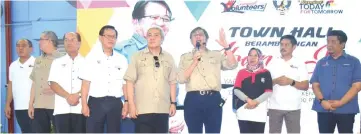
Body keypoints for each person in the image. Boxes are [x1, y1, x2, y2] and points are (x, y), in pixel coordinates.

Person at [177, 27, 238, 133]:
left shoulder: (216, 55)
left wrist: (227, 48)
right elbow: (181, 79)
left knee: (213, 131)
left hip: (213, 99)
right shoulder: (185, 57)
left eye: (201, 34)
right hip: (192, 100)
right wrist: (194, 62)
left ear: (206, 39)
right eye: (195, 35)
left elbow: (233, 65)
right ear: (191, 40)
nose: (198, 36)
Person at [124, 26, 177, 133]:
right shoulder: (137, 57)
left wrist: (173, 103)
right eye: (149, 35)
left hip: (162, 109)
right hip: (142, 109)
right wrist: (131, 105)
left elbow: (172, 82)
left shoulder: (169, 57)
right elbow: (129, 82)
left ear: (162, 39)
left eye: (156, 35)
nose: (152, 38)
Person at [310, 30, 361, 133]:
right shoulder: (321, 62)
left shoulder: (354, 62)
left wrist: (341, 103)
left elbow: (357, 86)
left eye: (333, 42)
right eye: (328, 41)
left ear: (342, 44)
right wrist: (322, 101)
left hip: (346, 109)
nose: (329, 45)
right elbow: (315, 85)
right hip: (324, 108)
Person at [79, 25, 128, 133]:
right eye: (108, 36)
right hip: (96, 103)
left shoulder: (122, 59)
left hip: (115, 103)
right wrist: (84, 104)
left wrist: (126, 103)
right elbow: (85, 83)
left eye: (114, 37)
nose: (111, 39)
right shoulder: (90, 58)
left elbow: (125, 84)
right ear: (100, 38)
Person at [267, 35, 309, 133]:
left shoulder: (300, 63)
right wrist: (275, 81)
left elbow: (305, 86)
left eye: (286, 45)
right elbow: (265, 85)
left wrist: (291, 82)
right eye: (281, 44)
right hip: (275, 107)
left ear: (294, 47)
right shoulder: (272, 63)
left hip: (293, 107)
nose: (283, 47)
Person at [48, 32, 86, 133]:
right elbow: (53, 83)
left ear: (79, 43)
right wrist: (68, 96)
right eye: (66, 40)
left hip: (81, 110)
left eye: (72, 39)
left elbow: (89, 84)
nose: (69, 42)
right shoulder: (57, 62)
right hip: (62, 110)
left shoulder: (87, 62)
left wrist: (77, 95)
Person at [28, 31, 63, 133]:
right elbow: (34, 83)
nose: (39, 42)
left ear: (49, 41)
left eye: (41, 40)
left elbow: (69, 82)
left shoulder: (62, 59)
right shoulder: (38, 60)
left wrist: (56, 89)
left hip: (56, 105)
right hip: (39, 105)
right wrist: (31, 104)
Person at [232, 48, 272, 133]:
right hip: (244, 108)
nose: (252, 58)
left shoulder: (266, 72)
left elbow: (268, 91)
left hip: (259, 110)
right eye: (250, 55)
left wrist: (255, 102)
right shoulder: (241, 72)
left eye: (255, 55)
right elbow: (236, 90)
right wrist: (248, 100)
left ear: (260, 58)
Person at [5, 39, 35, 133]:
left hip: (35, 106)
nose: (20, 48)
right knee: (25, 131)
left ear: (31, 49)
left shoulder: (37, 63)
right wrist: (7, 104)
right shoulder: (13, 66)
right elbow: (11, 85)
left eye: (23, 45)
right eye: (18, 45)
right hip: (19, 107)